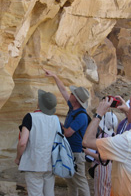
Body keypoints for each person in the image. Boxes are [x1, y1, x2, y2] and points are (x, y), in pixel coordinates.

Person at [44, 68, 90, 196]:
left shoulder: (81, 115)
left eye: (72, 93)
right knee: (70, 180)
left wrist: (57, 124)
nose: (69, 94)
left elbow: (68, 133)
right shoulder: (73, 108)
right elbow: (63, 90)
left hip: (76, 152)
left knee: (80, 181)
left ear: (75, 99)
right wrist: (54, 75)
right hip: (70, 151)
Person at [15, 89, 59, 196]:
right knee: (49, 193)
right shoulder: (55, 119)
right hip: (50, 163)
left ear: (39, 103)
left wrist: (18, 157)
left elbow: (22, 142)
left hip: (33, 163)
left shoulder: (30, 117)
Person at [84, 112, 118, 196]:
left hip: (102, 168)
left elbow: (103, 158)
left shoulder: (103, 137)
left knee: (100, 191)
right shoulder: (113, 135)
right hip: (110, 167)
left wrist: (88, 152)